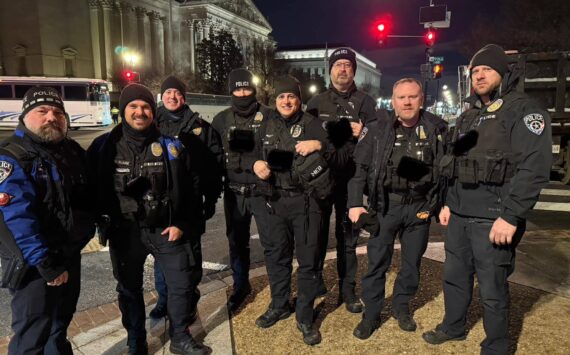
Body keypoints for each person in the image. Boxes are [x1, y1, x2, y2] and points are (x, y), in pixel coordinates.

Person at [422, 44, 552, 355]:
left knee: (493, 287)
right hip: (461, 215)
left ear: (503, 73)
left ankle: (497, 345)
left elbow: (533, 168)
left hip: (494, 216)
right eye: (475, 71)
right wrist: (449, 203)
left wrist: (511, 215)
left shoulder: (523, 110)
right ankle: (452, 327)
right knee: (455, 278)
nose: (479, 76)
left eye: (487, 70)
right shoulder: (469, 116)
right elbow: (454, 165)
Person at [87, 84, 206, 355]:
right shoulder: (103, 147)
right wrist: (101, 222)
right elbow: (89, 189)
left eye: (145, 107)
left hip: (166, 230)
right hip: (125, 232)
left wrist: (183, 225)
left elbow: (190, 188)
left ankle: (180, 336)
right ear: (124, 110)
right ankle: (136, 341)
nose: (140, 112)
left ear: (153, 112)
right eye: (133, 107)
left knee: (182, 284)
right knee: (129, 290)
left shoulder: (171, 146)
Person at [347, 78, 447, 339]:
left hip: (419, 208)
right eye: (401, 97)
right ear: (393, 101)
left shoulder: (437, 128)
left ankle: (402, 307)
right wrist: (355, 203)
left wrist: (441, 204)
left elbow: (447, 171)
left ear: (421, 99)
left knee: (412, 264)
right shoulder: (378, 128)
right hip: (385, 205)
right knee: (377, 262)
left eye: (412, 97)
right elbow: (359, 169)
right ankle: (371, 314)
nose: (407, 102)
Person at [0, 87, 95, 354]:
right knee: (33, 333)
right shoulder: (12, 156)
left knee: (59, 323)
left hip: (67, 253)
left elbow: (87, 193)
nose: (51, 117)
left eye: (57, 112)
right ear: (25, 116)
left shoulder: (71, 151)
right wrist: (45, 263)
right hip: (34, 264)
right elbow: (17, 218)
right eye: (42, 111)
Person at [253, 76, 334, 345]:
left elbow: (337, 150)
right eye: (281, 97)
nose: (286, 101)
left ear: (299, 100)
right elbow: (251, 153)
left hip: (306, 201)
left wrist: (319, 144)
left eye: (291, 97)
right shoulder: (265, 123)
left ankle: (304, 315)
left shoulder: (312, 123)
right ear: (274, 101)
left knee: (308, 259)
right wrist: (256, 165)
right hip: (275, 200)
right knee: (277, 256)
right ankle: (279, 305)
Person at [306, 47, 381, 312]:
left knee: (347, 239)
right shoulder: (316, 102)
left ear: (353, 71)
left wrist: (365, 132)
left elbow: (379, 139)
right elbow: (305, 135)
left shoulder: (365, 102)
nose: (343, 69)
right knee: (315, 235)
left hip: (351, 178)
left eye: (348, 65)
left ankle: (348, 290)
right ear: (331, 70)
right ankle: (314, 284)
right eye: (338, 65)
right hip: (322, 178)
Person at [149, 75, 223, 320]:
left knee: (191, 257)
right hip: (159, 205)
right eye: (168, 92)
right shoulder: (151, 124)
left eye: (177, 93)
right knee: (162, 256)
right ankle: (164, 299)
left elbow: (214, 167)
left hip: (190, 204)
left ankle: (189, 300)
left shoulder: (201, 127)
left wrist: (211, 200)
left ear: (184, 97)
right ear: (162, 96)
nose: (172, 96)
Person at [211, 68, 273, 311]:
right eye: (238, 89)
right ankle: (241, 285)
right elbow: (214, 156)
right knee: (237, 243)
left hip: (263, 191)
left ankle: (279, 290)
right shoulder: (221, 120)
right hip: (234, 193)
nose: (243, 92)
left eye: (247, 88)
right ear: (231, 91)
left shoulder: (268, 115)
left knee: (273, 242)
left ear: (253, 89)